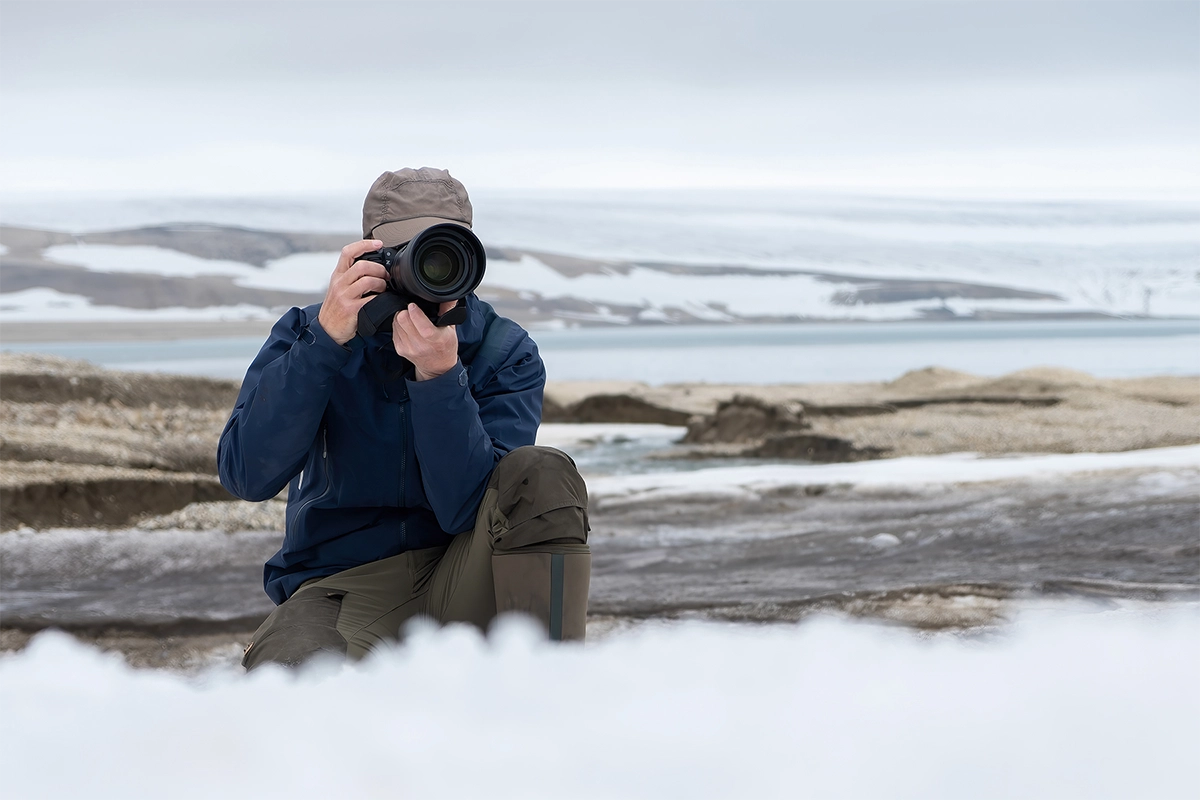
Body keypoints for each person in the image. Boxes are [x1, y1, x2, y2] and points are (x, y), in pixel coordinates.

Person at [218, 167, 591, 669]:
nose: (424, 268)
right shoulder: (308, 334)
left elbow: (463, 510)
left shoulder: (503, 351)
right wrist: (325, 345)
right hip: (342, 586)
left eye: (439, 251)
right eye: (404, 251)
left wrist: (440, 377)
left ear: (469, 256)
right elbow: (247, 474)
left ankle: (551, 692)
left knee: (543, 471)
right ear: (368, 254)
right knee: (293, 683)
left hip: (466, 574)